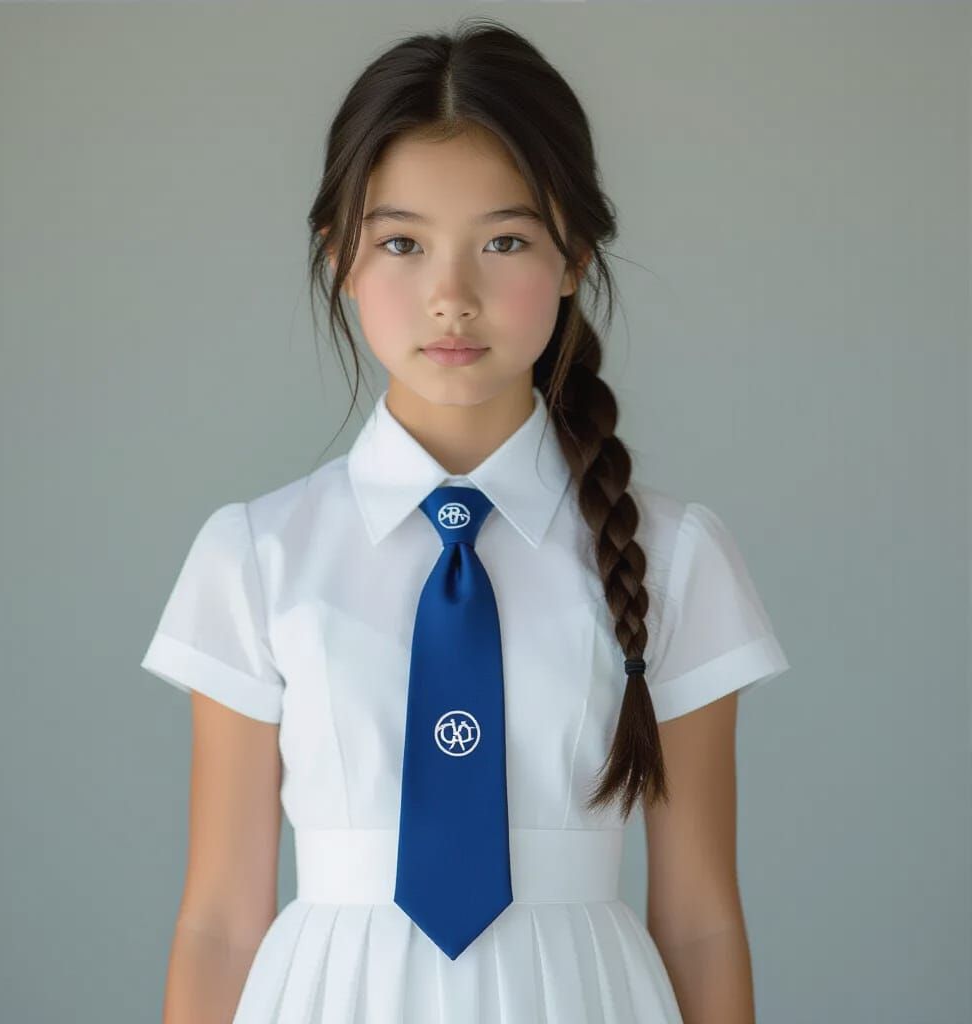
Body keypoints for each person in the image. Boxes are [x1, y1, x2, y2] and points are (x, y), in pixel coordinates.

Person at [140, 16, 791, 1024]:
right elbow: (221, 917)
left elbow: (701, 915)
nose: (451, 296)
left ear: (572, 255)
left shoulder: (676, 555)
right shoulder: (255, 558)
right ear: (340, 259)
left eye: (504, 241)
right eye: (401, 242)